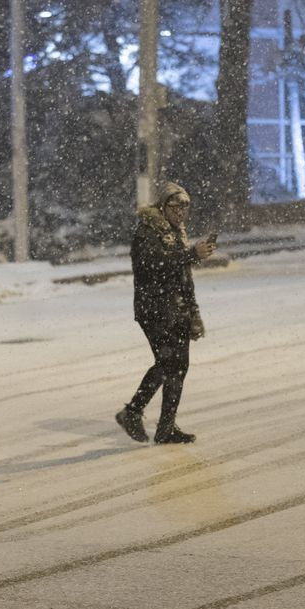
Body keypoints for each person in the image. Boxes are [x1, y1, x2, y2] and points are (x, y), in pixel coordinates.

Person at [115, 181, 216, 444]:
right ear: (162, 206)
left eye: (185, 207)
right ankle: (133, 412)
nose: (180, 212)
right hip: (154, 308)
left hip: (177, 307)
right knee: (168, 362)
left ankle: (165, 427)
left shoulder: (177, 232)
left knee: (178, 366)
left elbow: (184, 278)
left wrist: (193, 312)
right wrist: (191, 254)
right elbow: (154, 265)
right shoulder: (147, 231)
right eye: (175, 207)